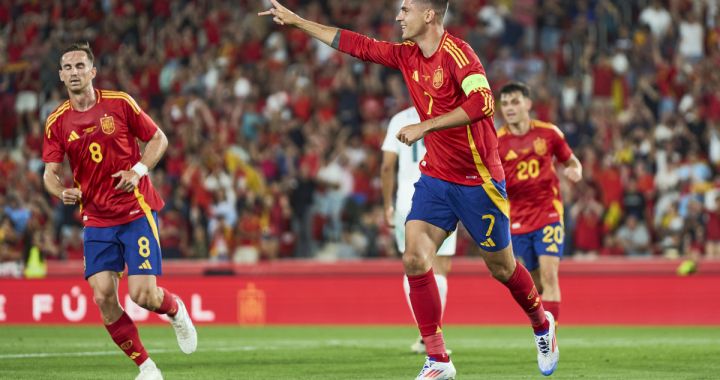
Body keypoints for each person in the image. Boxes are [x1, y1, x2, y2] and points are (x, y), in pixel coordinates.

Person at [259, 2, 559, 378]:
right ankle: (438, 358)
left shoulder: (459, 53)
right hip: (436, 178)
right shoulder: (406, 56)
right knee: (415, 257)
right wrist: (298, 21)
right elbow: (355, 44)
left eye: (406, 9)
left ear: (429, 14)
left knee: (502, 268)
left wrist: (426, 126)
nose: (399, 16)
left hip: (478, 179)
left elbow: (483, 102)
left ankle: (541, 323)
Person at [42, 42, 197, 380]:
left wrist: (138, 171)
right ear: (60, 76)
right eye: (67, 68)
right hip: (96, 219)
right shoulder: (57, 122)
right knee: (102, 297)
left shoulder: (120, 103)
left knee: (143, 295)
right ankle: (147, 367)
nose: (74, 72)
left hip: (135, 211)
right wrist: (62, 191)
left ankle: (174, 309)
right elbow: (49, 175)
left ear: (93, 71)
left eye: (80, 66)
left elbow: (158, 139)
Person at [496, 82, 583, 326]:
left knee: (549, 275)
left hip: (548, 211)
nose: (510, 108)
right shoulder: (495, 142)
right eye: (505, 104)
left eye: (515, 102)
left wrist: (575, 170)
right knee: (537, 283)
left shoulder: (549, 133)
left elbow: (571, 161)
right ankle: (545, 321)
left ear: (528, 104)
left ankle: (549, 336)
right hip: (517, 218)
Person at [381, 106, 457, 355]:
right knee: (440, 268)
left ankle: (426, 335)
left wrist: (387, 205)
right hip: (443, 198)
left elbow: (387, 166)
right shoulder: (447, 113)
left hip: (406, 202)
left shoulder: (399, 119)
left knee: (413, 264)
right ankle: (432, 336)